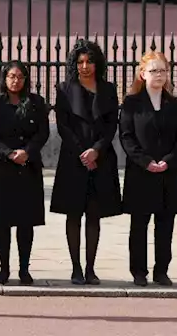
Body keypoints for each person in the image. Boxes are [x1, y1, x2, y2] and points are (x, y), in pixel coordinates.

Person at [51, 39, 122, 285]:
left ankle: (91, 268)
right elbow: (63, 126)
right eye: (80, 62)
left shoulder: (109, 89)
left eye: (89, 61)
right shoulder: (63, 89)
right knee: (73, 215)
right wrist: (83, 152)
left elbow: (112, 124)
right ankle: (76, 268)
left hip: (101, 159)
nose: (85, 66)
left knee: (94, 215)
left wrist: (96, 150)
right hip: (73, 159)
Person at [121, 50, 177, 286]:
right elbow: (127, 137)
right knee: (139, 224)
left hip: (167, 173)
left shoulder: (175, 104)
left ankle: (162, 270)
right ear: (142, 74)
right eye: (153, 70)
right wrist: (146, 161)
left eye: (163, 70)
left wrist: (168, 161)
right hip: (140, 172)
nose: (159, 75)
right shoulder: (131, 103)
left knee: (165, 224)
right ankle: (138, 272)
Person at [0, 61, 49, 285]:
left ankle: (24, 269)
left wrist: (27, 152)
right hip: (1, 167)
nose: (15, 81)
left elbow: (42, 132)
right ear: (4, 78)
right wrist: (8, 153)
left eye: (19, 77)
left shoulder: (36, 103)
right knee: (2, 221)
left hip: (27, 167)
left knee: (25, 221)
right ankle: (4, 268)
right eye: (11, 76)